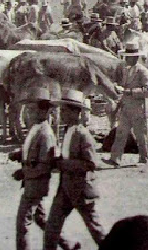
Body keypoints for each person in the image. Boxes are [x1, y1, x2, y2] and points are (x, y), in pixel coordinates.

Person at [8, 87, 75, 250]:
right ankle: (69, 245)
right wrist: (19, 154)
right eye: (28, 109)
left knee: (22, 224)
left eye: (32, 109)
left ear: (43, 111)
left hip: (36, 184)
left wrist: (23, 172)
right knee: (42, 219)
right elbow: (33, 152)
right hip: (31, 182)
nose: (28, 114)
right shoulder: (36, 128)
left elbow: (44, 166)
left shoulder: (45, 133)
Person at [44, 90, 106, 250]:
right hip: (65, 189)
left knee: (96, 230)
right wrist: (56, 160)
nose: (61, 113)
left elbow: (91, 164)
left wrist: (64, 165)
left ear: (75, 112)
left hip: (81, 190)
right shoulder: (67, 131)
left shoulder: (83, 135)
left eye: (65, 110)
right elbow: (67, 156)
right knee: (51, 228)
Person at [106, 41, 148, 167]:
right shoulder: (126, 70)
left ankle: (144, 158)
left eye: (128, 57)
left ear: (135, 57)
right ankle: (115, 158)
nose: (126, 59)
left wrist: (128, 91)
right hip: (126, 106)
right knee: (120, 133)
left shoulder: (143, 71)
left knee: (141, 135)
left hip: (139, 108)